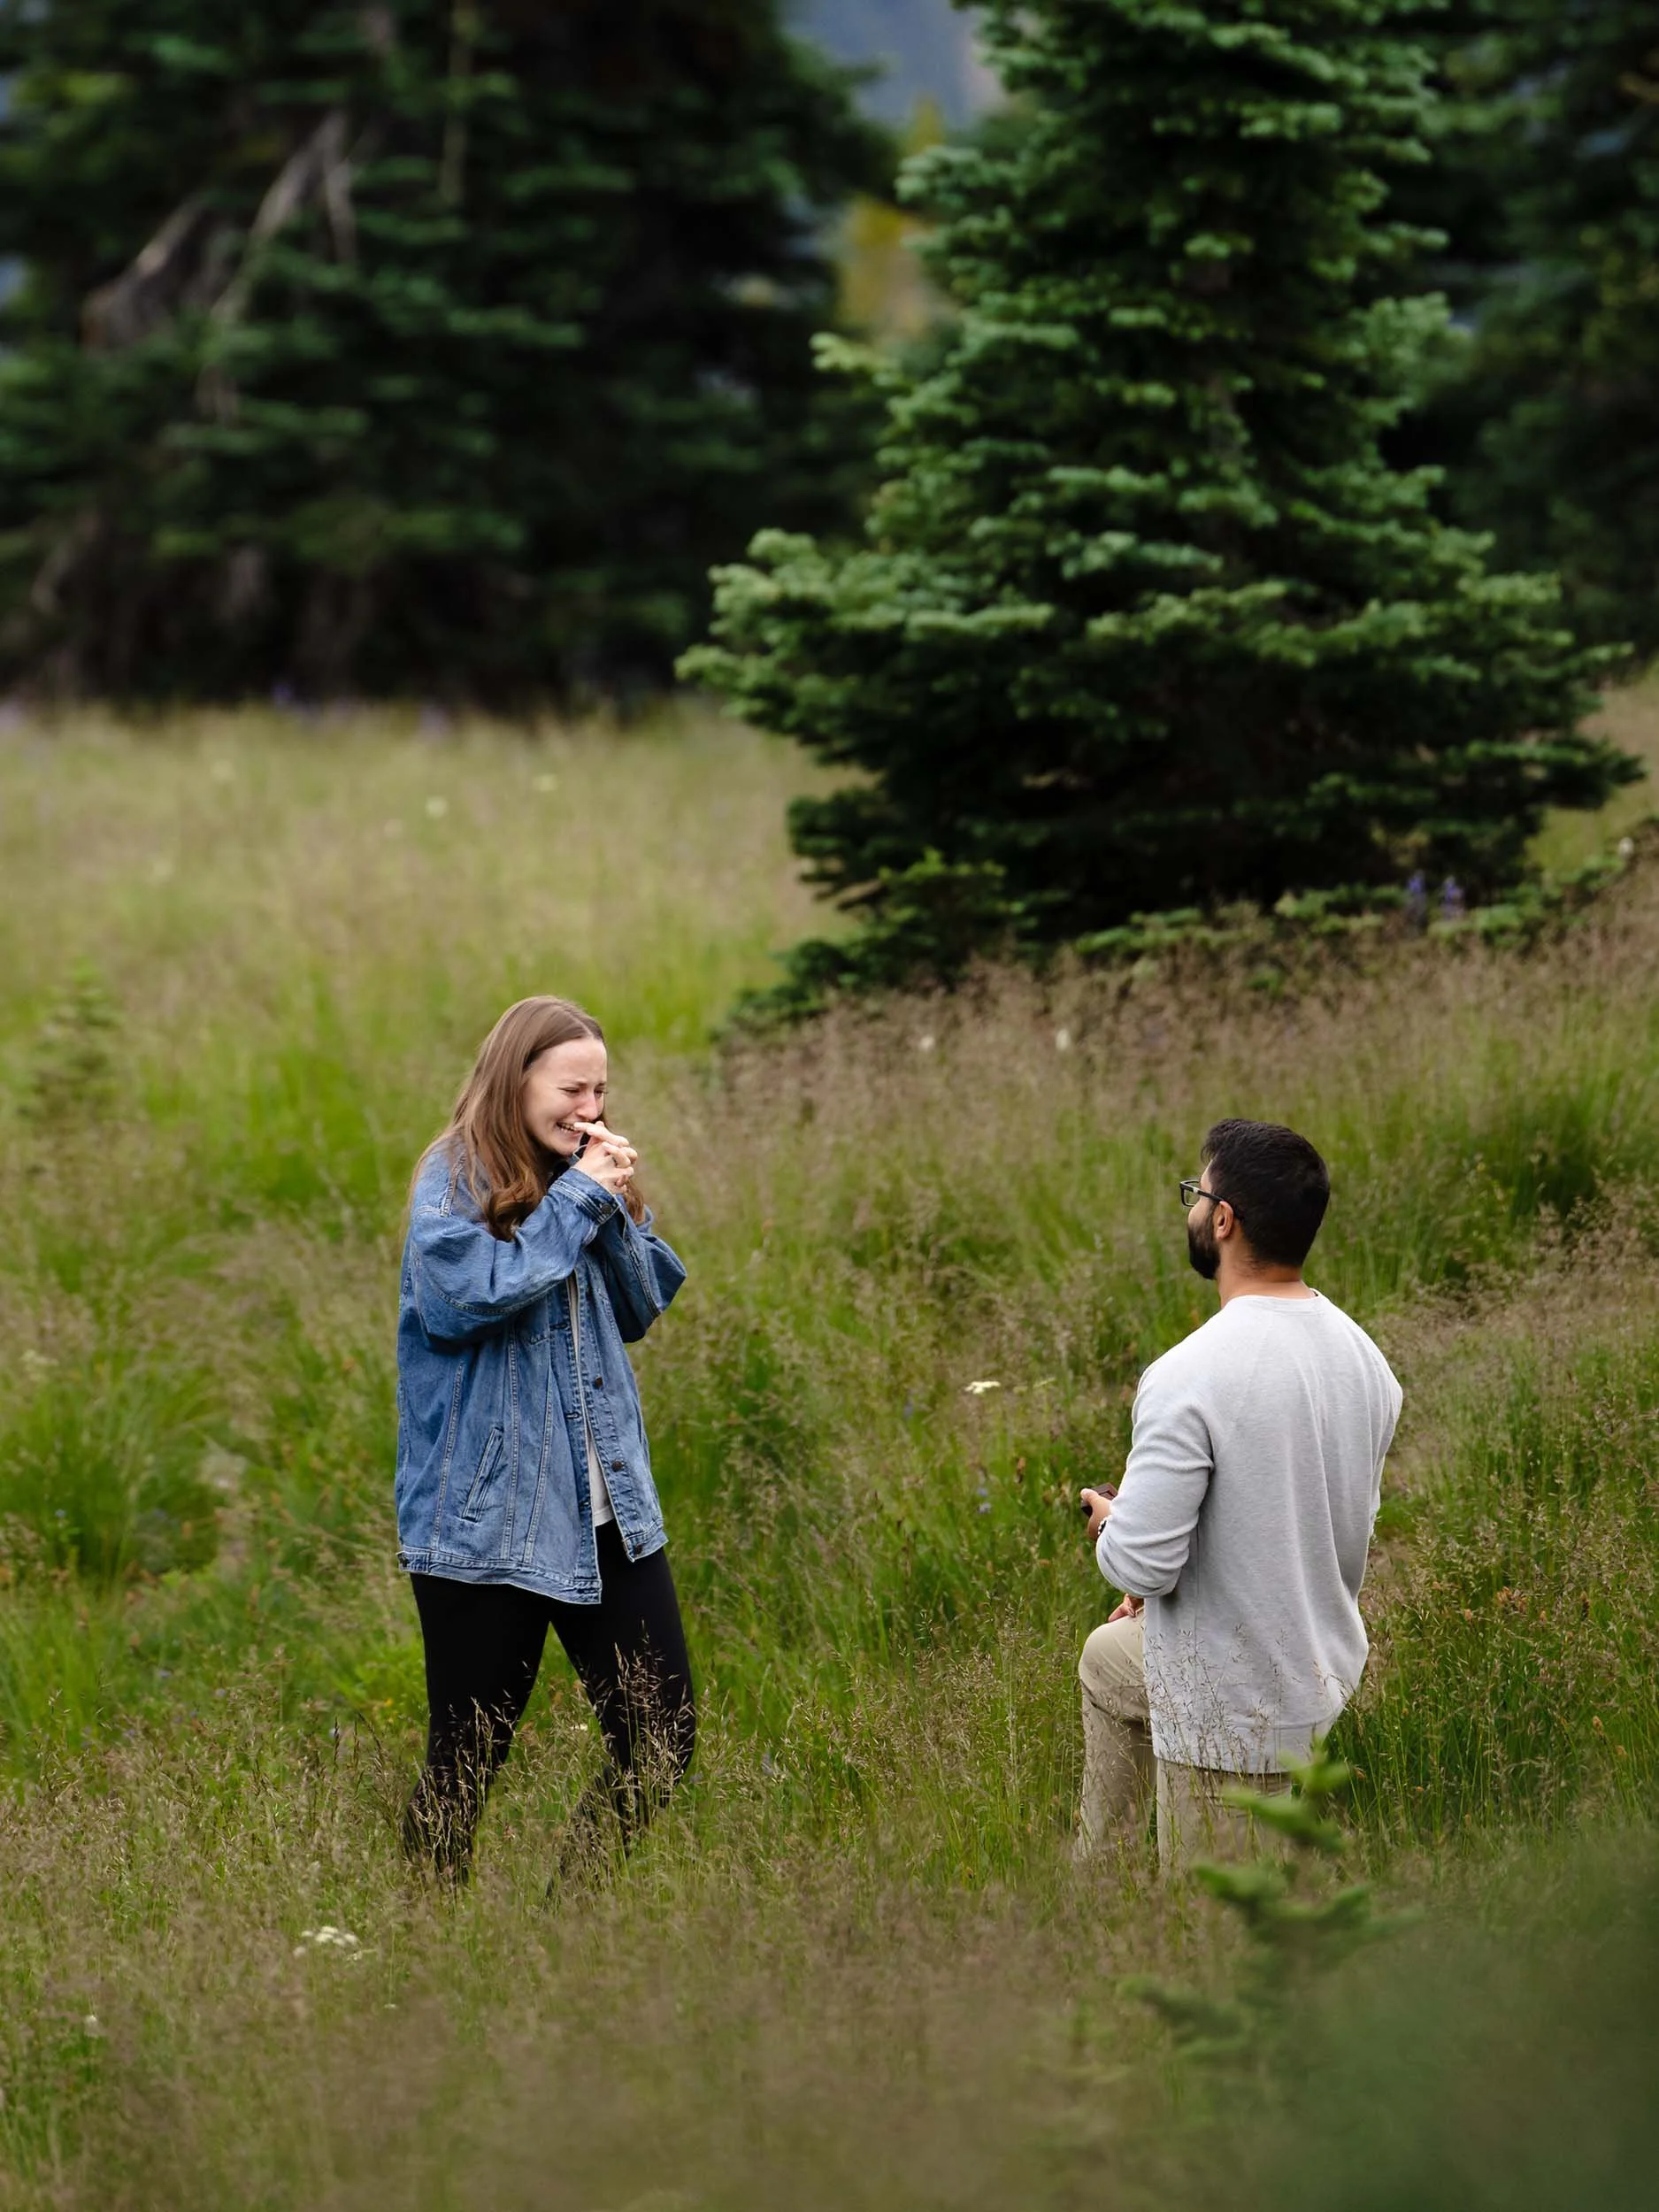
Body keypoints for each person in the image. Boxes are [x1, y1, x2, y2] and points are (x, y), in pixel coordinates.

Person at [395, 995, 693, 1886]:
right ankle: (423, 1949)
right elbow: (465, 1301)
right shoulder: (452, 1177)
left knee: (663, 1735)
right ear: (516, 1078)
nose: (589, 1107)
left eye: (600, 1089)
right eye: (572, 1087)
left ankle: (576, 1923)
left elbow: (642, 1310)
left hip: (608, 1513)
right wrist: (574, 1203)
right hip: (487, 1523)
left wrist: (612, 1203)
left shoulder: (583, 1175)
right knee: (466, 1758)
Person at [1076, 1119, 1402, 1874]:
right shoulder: (1363, 1359)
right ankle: (1099, 1884)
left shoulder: (1189, 1373)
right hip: (1317, 1674)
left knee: (1215, 1951)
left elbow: (1140, 1568)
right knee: (1108, 1658)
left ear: (1222, 1221)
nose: (1191, 1209)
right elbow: (1299, 1516)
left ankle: (1107, 1892)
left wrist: (1112, 1524)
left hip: (1231, 1706)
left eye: (1196, 1195)